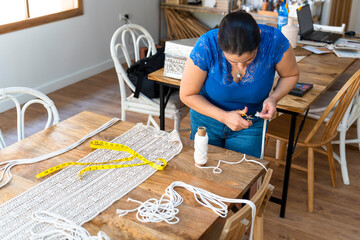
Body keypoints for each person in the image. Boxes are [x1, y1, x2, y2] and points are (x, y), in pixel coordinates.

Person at [179, 10, 299, 158]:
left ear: (258, 44)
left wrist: (273, 98)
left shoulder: (274, 42)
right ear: (220, 47)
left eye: (249, 60)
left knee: (244, 175)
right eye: (233, 61)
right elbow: (187, 94)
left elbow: (291, 75)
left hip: (250, 123)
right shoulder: (207, 45)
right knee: (204, 174)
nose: (241, 67)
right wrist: (223, 116)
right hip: (207, 121)